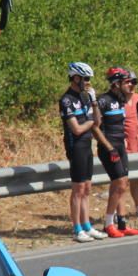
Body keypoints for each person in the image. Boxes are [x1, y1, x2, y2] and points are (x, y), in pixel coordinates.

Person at [59, 62, 107, 243]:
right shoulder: (66, 100)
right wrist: (91, 122)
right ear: (76, 78)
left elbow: (98, 122)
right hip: (76, 146)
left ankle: (87, 225)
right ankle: (76, 228)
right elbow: (77, 129)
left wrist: (94, 102)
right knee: (78, 189)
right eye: (86, 79)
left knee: (87, 188)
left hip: (87, 145)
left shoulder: (85, 98)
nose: (88, 82)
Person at [94, 67, 138, 237]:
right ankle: (108, 224)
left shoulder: (120, 100)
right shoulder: (103, 100)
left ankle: (121, 223)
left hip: (120, 146)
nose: (128, 85)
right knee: (119, 182)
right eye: (125, 82)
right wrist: (109, 147)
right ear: (116, 84)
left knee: (122, 184)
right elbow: (95, 128)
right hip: (109, 146)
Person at [123, 69, 138, 220]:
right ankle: (120, 213)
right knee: (122, 181)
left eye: (134, 82)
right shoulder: (117, 102)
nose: (131, 85)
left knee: (136, 178)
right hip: (125, 147)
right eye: (128, 82)